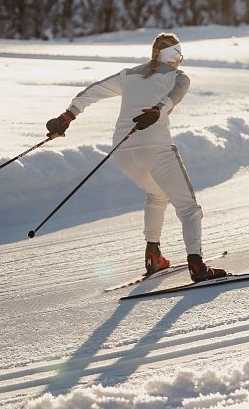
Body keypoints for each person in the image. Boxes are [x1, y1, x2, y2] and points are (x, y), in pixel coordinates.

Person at [45, 32, 227, 282]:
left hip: (124, 151)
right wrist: (158, 111)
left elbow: (94, 91)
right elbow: (174, 97)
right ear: (175, 56)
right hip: (156, 148)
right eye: (179, 55)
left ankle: (154, 256)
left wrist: (68, 116)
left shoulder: (129, 74)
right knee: (188, 208)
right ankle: (197, 266)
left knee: (156, 194)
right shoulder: (179, 77)